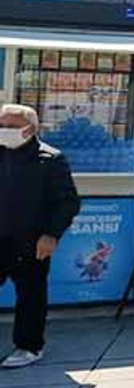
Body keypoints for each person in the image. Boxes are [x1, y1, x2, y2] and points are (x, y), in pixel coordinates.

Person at [0, 104, 80, 369]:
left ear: (30, 129)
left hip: (31, 240)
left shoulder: (50, 159)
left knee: (31, 294)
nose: (4, 131)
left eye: (10, 126)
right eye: (1, 125)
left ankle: (29, 346)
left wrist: (51, 235)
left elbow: (68, 202)